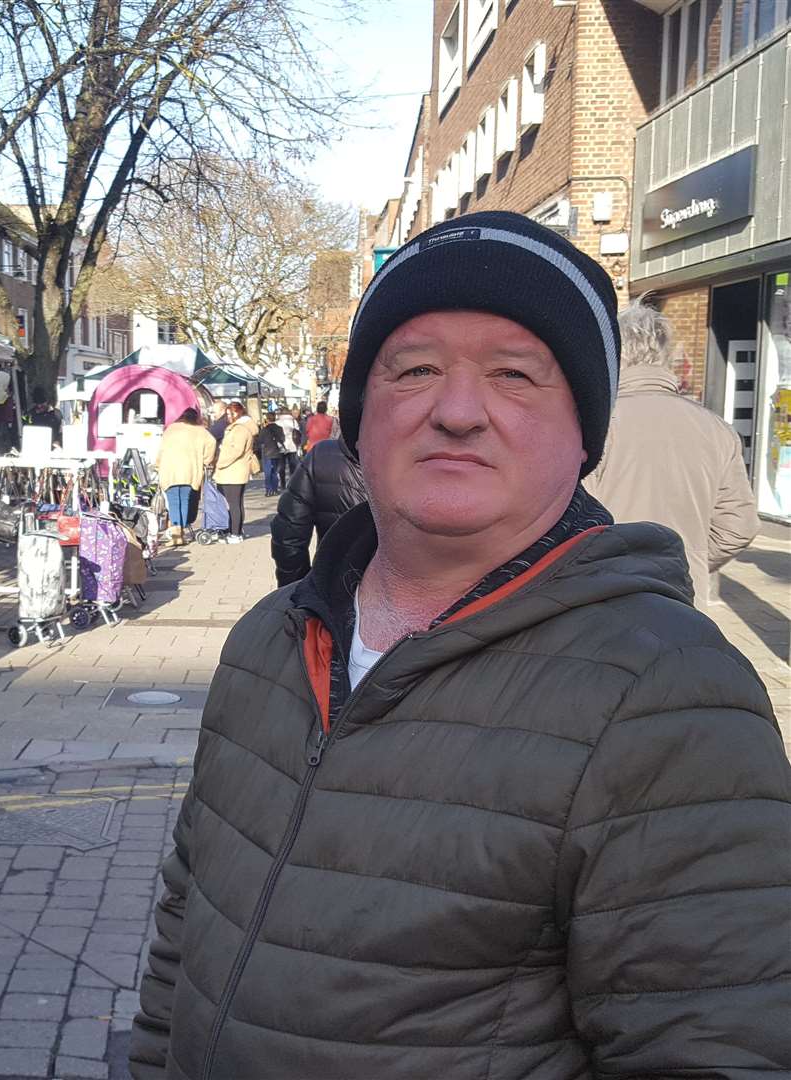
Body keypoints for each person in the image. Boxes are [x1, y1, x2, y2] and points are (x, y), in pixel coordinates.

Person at [131, 210, 790, 1079]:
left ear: (583, 436)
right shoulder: (269, 638)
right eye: (414, 369)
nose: (456, 410)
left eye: (515, 375)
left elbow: (716, 1049)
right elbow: (187, 922)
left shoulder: (669, 696)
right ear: (359, 420)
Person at [585, 301, 759, 608]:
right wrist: (688, 560)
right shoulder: (717, 429)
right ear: (665, 355)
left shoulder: (596, 423)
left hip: (605, 592)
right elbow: (739, 524)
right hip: (683, 596)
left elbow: (575, 518)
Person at [270, 436, 368, 588]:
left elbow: (288, 535)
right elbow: (289, 533)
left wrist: (296, 591)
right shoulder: (413, 459)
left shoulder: (322, 456)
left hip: (334, 589)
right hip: (408, 594)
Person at [154, 409, 217, 546]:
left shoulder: (171, 429)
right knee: (184, 501)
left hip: (170, 470)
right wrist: (206, 460)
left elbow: (161, 450)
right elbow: (212, 443)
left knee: (174, 502)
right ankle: (180, 532)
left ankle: (177, 536)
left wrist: (157, 464)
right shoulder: (200, 431)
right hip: (190, 471)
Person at [210, 401, 257, 545]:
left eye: (230, 414)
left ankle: (235, 533)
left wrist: (220, 462)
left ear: (237, 413)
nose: (228, 417)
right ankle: (235, 531)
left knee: (234, 504)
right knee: (235, 503)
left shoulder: (240, 429)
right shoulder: (240, 427)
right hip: (234, 470)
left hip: (233, 471)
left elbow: (235, 450)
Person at [255, 412, 288, 497]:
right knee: (275, 472)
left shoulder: (264, 430)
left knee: (268, 472)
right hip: (277, 452)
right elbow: (283, 439)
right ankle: (275, 489)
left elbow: (260, 441)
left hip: (267, 452)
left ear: (267, 419)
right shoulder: (279, 428)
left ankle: (269, 490)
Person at [276, 407, 300, 486]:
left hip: (281, 446)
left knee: (281, 466)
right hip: (292, 445)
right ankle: (292, 482)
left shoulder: (277, 422)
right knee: (292, 465)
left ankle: (282, 482)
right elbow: (298, 432)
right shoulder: (293, 421)